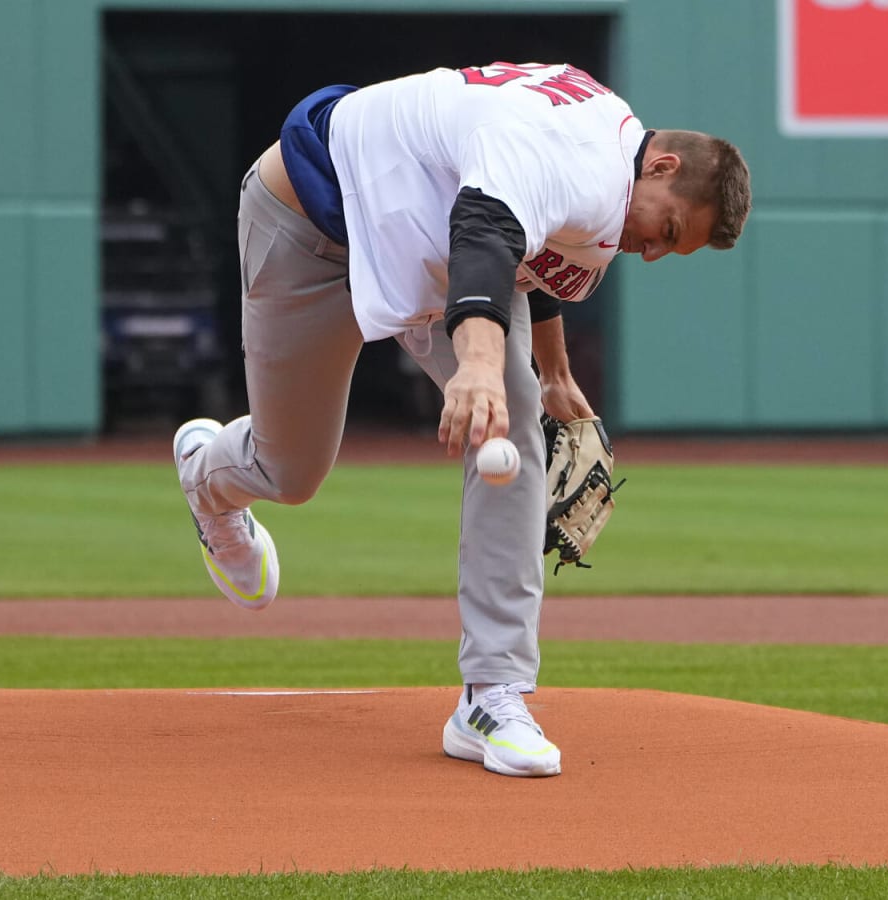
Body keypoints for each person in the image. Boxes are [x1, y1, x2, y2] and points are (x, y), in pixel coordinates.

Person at [172, 62, 752, 778]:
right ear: (662, 166)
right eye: (665, 228)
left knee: (513, 430)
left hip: (436, 257)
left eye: (672, 247)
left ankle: (491, 694)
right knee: (288, 471)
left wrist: (555, 373)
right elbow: (486, 227)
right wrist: (477, 364)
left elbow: (529, 252)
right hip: (314, 220)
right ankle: (208, 477)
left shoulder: (611, 161)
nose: (655, 251)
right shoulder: (575, 159)